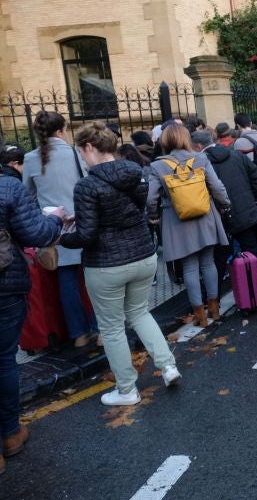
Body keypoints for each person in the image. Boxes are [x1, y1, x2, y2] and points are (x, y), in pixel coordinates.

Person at [60, 123, 181, 407]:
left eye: (80, 150)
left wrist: (62, 236)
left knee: (112, 327)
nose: (80, 156)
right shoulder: (137, 173)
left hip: (106, 264)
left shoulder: (87, 186)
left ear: (90, 148)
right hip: (143, 255)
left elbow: (88, 234)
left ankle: (127, 389)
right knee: (140, 313)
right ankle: (168, 366)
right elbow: (128, 211)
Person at [0, 175, 63, 477]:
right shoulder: (7, 186)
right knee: (3, 361)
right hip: (5, 286)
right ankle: (10, 434)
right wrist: (56, 220)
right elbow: (36, 232)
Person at [21, 110, 98, 347]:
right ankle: (100, 328)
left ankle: (78, 334)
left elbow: (28, 194)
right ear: (62, 130)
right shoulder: (75, 153)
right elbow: (90, 184)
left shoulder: (30, 158)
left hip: (53, 228)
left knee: (67, 282)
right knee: (94, 280)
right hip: (82, 222)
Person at [147, 124, 230, 327]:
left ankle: (200, 315)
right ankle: (215, 309)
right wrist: (225, 204)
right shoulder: (201, 158)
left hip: (176, 222)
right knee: (209, 263)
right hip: (205, 215)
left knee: (190, 268)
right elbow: (217, 187)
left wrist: (154, 216)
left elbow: (151, 197)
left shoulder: (158, 166)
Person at [193, 129, 257, 301]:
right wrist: (252, 198)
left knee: (219, 256)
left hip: (221, 214)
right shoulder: (235, 155)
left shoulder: (202, 163)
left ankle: (211, 296)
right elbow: (256, 175)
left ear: (199, 146)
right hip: (246, 210)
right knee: (253, 248)